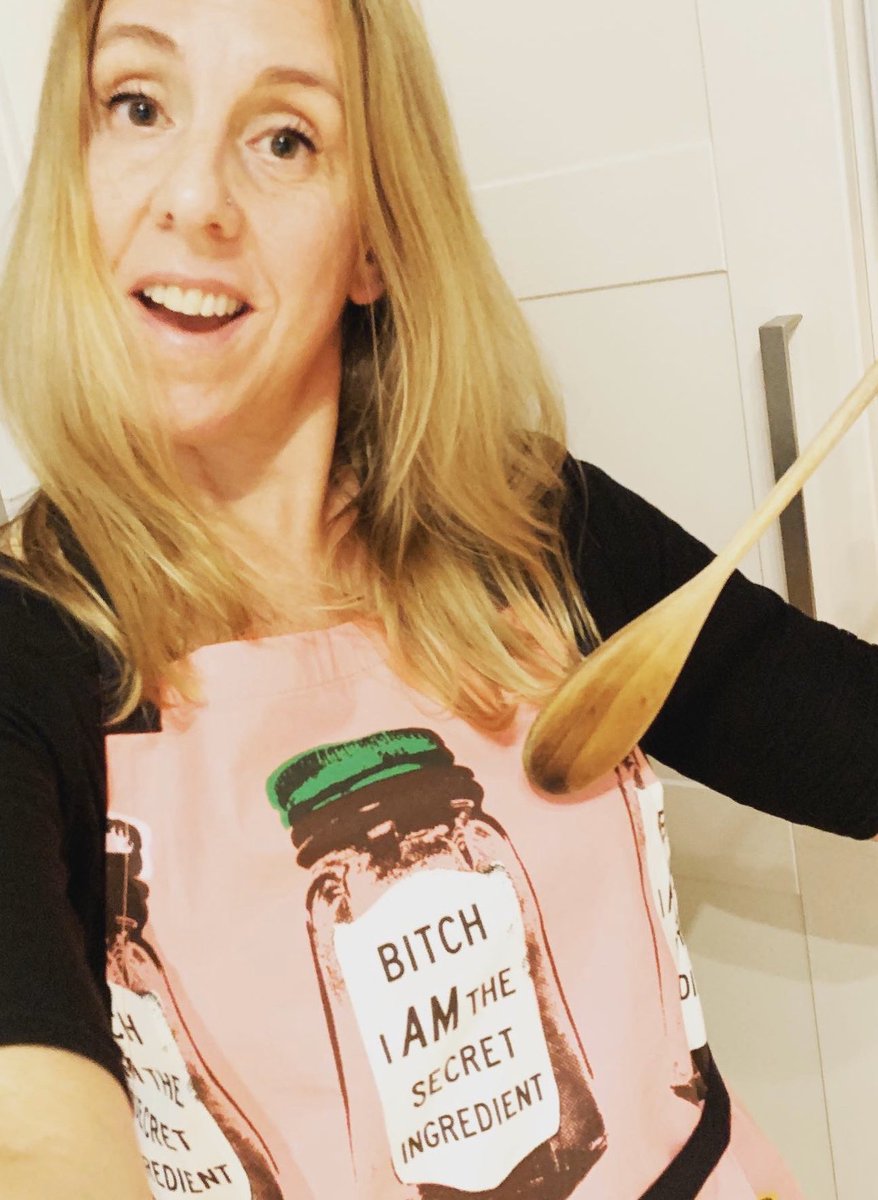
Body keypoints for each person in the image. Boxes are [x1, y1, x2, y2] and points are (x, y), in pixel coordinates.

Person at [0, 0, 875, 1196]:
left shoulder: (533, 527)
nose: (193, 198)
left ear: (372, 240)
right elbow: (33, 1136)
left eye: (285, 137)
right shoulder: (28, 644)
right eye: (138, 105)